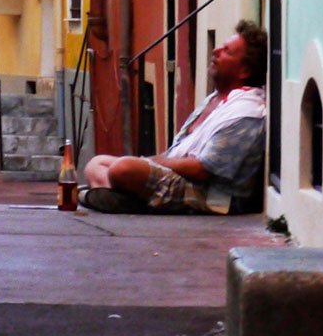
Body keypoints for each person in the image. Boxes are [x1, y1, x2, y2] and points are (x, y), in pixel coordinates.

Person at [81, 20, 269, 215]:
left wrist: (148, 163)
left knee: (123, 168)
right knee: (97, 163)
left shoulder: (246, 112)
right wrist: (149, 163)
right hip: (176, 175)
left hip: (208, 194)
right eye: (220, 46)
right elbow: (175, 153)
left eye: (227, 52)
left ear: (244, 71)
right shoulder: (214, 100)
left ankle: (118, 197)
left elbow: (202, 170)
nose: (215, 51)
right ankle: (124, 198)